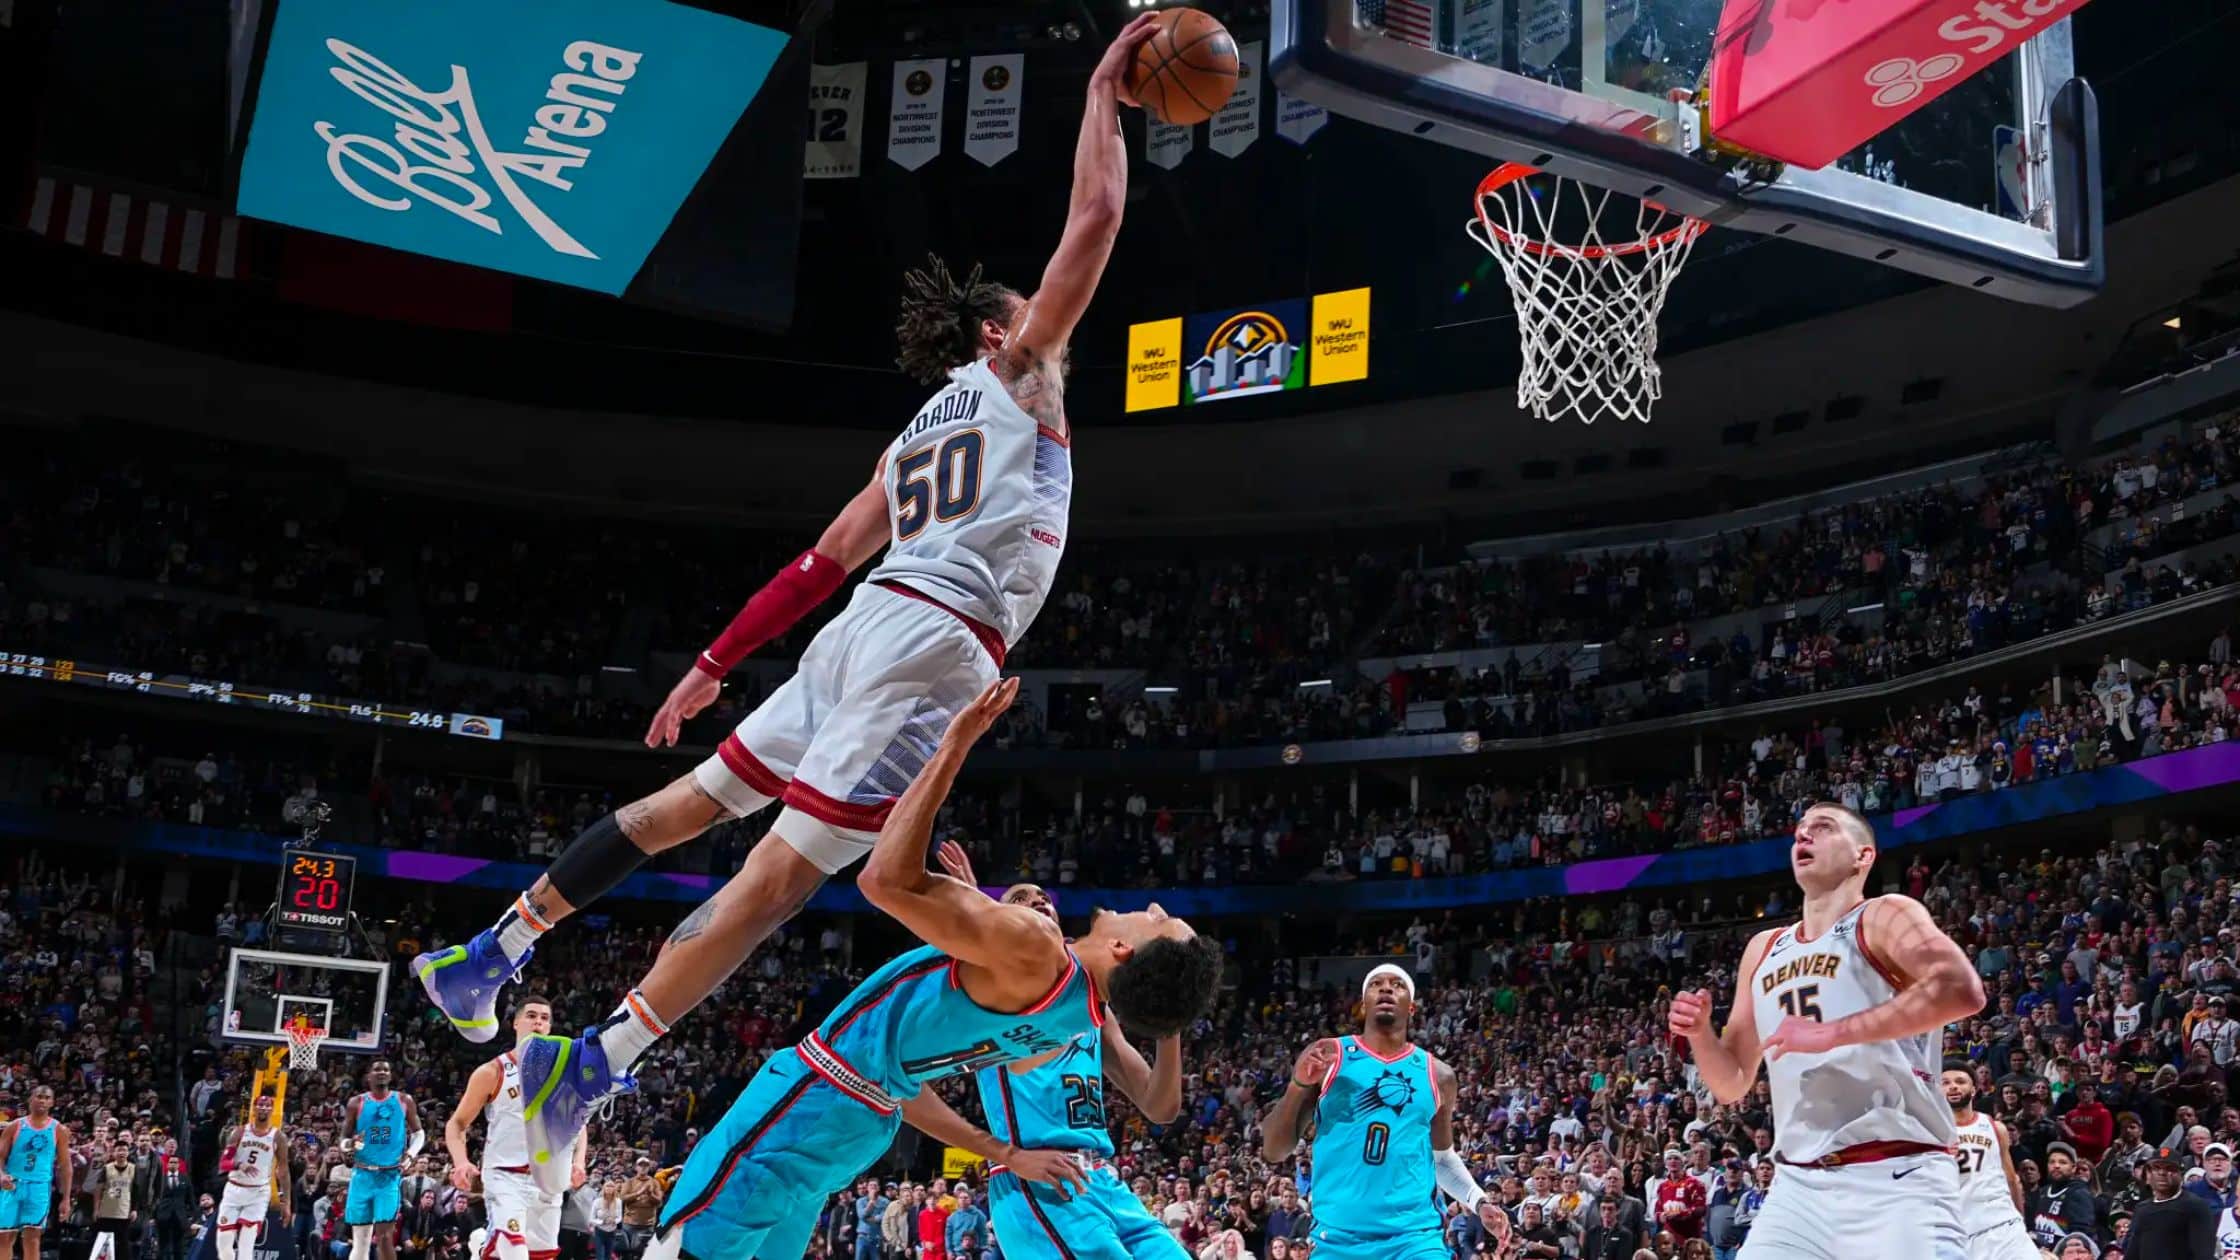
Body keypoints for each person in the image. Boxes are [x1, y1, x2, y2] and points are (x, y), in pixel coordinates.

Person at [412, 7, 1164, 1172]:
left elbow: (817, 566)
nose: (1050, 329)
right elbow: (1099, 216)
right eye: (1029, 317)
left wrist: (713, 663)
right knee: (771, 885)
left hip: (860, 627)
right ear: (995, 331)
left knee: (687, 806)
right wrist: (1099, 96)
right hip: (934, 641)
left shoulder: (908, 441)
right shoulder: (1019, 371)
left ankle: (491, 951)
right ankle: (595, 1062)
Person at [642, 678, 1221, 1260]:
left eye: (1159, 921)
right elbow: (986, 991)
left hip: (826, 1086)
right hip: (872, 1122)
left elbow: (884, 881)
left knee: (687, 1243)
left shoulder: (1040, 950)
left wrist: (952, 747)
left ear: (1124, 950)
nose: (1153, 907)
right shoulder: (1074, 1020)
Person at [1667, 803, 1986, 1259]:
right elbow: (1732, 1082)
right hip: (1797, 1187)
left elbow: (1960, 990)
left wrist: (1832, 1032)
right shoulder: (1763, 948)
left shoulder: (1883, 914)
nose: (1803, 838)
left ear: (1863, 856)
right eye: (1798, 831)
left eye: (1823, 828)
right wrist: (1701, 1034)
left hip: (1897, 1174)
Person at [1259, 965, 1514, 1260]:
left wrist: (1479, 1201)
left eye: (1397, 984)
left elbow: (1441, 1159)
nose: (1386, 988)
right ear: (1363, 1003)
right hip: (1337, 1240)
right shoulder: (1328, 1055)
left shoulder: (1439, 1075)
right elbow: (1274, 1151)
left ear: (1412, 1007)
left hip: (1414, 1240)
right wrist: (1297, 1085)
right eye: (1376, 984)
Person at [443, 996, 586, 1260]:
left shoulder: (563, 1072)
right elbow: (457, 1123)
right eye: (531, 1016)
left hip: (548, 1178)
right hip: (504, 1175)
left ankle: (483, 1246)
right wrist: (461, 1162)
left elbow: (577, 1124)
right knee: (515, 1251)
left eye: (545, 1018)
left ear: (550, 1028)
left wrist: (579, 1162)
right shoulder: (492, 1071)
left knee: (538, 1255)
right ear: (516, 1023)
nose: (538, 1022)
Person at [1942, 1063, 2033, 1260]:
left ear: (1974, 1089)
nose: (1953, 1087)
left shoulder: (1994, 1127)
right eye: (1946, 1083)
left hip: (2003, 1222)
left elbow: (2012, 1179)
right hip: (1959, 1228)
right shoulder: (1930, 1132)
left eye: (1960, 1082)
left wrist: (2020, 1220)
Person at [345, 1062, 426, 1260]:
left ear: (390, 1076)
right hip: (362, 1175)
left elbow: (419, 1133)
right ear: (368, 1076)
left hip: (388, 1176)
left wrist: (410, 1154)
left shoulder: (403, 1100)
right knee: (361, 1240)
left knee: (384, 1237)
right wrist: (347, 1147)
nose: (382, 1072)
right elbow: (344, 1139)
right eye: (377, 1070)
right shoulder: (356, 1103)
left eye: (386, 1070)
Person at [217, 1094, 291, 1260]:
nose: (263, 1108)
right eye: (260, 1105)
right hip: (234, 1189)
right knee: (224, 1245)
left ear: (272, 1110)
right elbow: (223, 1163)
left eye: (267, 1106)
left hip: (258, 1193)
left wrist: (287, 1203)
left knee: (246, 1246)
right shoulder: (240, 1132)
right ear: (254, 1109)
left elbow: (284, 1171)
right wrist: (239, 1165)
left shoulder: (279, 1137)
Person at [0, 1086, 70, 1260]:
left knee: (32, 1238)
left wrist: (66, 1198)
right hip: (12, 1185)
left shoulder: (58, 1130)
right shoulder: (15, 1126)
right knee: (4, 1236)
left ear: (52, 1102)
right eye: (39, 1096)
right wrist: (1, 1176)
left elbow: (65, 1165)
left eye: (47, 1097)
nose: (42, 1100)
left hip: (39, 1187)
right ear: (31, 1099)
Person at [2128, 1152, 2215, 1258]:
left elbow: (2203, 1254)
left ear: (2181, 1174)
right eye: (2156, 1168)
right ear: (2149, 1174)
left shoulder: (2195, 1206)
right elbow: (2132, 1253)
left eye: (2169, 1168)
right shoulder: (2142, 1209)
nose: (2162, 1172)